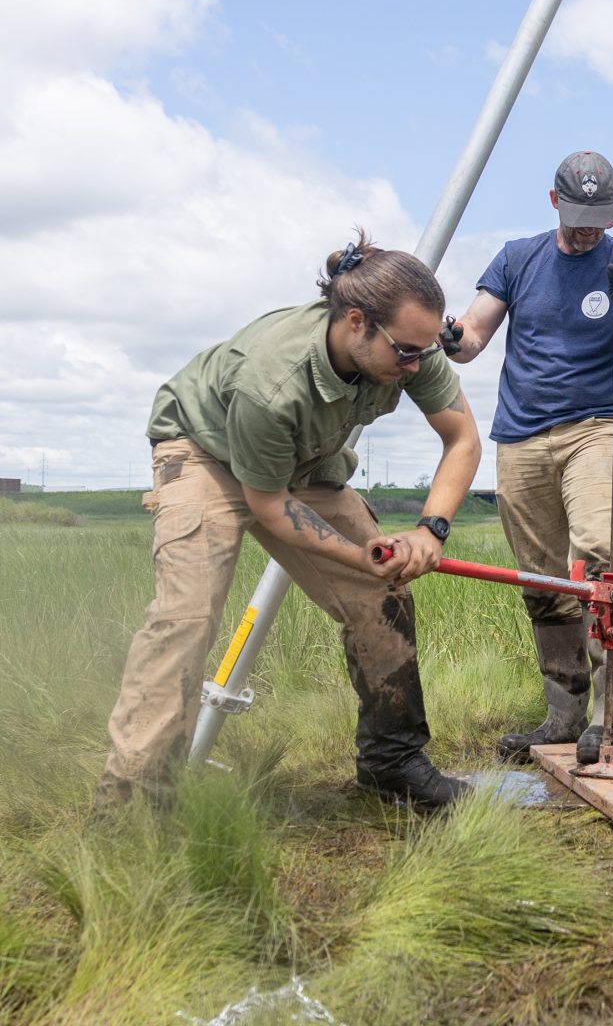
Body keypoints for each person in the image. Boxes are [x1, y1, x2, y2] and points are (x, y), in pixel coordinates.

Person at [97, 234, 482, 812]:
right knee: (186, 620)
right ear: (357, 323)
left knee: (385, 592)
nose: (414, 365)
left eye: (421, 353)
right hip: (205, 452)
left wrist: (430, 532)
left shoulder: (413, 348)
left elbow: (463, 440)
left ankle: (391, 761)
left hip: (302, 459)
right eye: (404, 351)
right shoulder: (271, 382)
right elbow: (270, 506)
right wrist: (360, 553)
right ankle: (132, 803)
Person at [442, 151, 613, 762]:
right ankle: (563, 713)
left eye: (600, 218)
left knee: (601, 559)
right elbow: (474, 336)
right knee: (543, 577)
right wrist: (452, 335)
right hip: (522, 435)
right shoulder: (517, 258)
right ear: (554, 201)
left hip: (598, 426)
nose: (589, 229)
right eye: (579, 215)